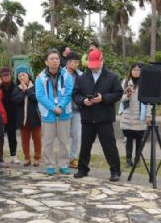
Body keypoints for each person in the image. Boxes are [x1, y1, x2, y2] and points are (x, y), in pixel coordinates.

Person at [72, 48, 123, 181]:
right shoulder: (82, 78)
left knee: (109, 145)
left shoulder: (112, 77)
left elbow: (118, 93)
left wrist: (104, 98)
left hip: (104, 117)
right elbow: (75, 95)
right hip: (88, 117)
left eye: (96, 64)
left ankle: (115, 171)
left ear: (102, 61)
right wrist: (83, 101)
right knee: (85, 145)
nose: (94, 68)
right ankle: (82, 169)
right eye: (91, 65)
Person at [36, 49, 74, 175]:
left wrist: (61, 106)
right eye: (51, 59)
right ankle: (50, 165)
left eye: (56, 58)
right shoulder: (40, 78)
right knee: (48, 142)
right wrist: (54, 108)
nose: (54, 61)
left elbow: (69, 92)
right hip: (48, 113)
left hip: (64, 113)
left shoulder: (67, 75)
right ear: (46, 62)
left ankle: (64, 164)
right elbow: (40, 96)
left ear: (59, 60)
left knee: (64, 141)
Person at [119, 63, 151, 168]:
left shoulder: (146, 83)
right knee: (128, 139)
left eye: (138, 69)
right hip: (128, 114)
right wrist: (127, 95)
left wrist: (148, 115)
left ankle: (137, 159)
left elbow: (149, 102)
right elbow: (121, 99)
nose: (136, 71)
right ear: (131, 70)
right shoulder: (125, 82)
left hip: (140, 115)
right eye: (134, 69)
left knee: (139, 139)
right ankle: (128, 159)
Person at [12, 66, 42, 166]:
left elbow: (36, 98)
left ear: (28, 76)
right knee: (25, 140)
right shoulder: (16, 88)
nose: (22, 77)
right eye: (19, 75)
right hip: (22, 119)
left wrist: (27, 91)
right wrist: (23, 92)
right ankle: (27, 158)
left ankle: (37, 158)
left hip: (35, 118)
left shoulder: (35, 86)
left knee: (37, 139)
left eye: (23, 75)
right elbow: (15, 101)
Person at [64, 52, 83, 168]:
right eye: (75, 62)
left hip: (77, 110)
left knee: (77, 135)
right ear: (68, 62)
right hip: (63, 110)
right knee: (64, 136)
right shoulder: (60, 73)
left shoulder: (81, 75)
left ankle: (73, 158)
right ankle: (64, 158)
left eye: (77, 62)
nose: (77, 64)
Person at [0, 67, 19, 164]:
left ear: (11, 75)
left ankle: (13, 156)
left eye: (7, 75)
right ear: (1, 77)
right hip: (0, 116)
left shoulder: (15, 86)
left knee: (12, 136)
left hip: (12, 115)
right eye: (4, 75)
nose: (6, 77)